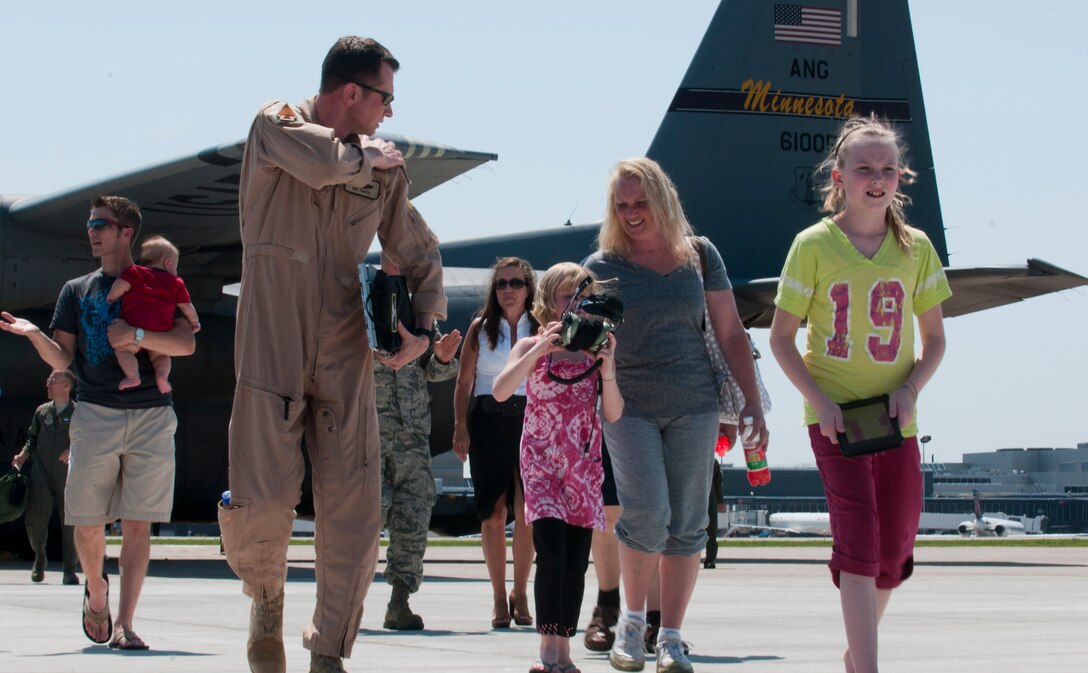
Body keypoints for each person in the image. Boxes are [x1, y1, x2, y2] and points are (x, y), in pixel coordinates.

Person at [217, 36, 446, 673]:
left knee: (353, 503)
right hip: (273, 331)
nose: (389, 114)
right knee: (261, 495)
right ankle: (266, 600)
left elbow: (418, 246)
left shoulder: (385, 168)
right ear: (352, 93)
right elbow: (321, 161)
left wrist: (423, 324)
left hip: (344, 336)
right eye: (384, 98)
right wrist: (361, 156)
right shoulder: (275, 125)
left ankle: (329, 650)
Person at [768, 116, 950, 673]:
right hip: (836, 423)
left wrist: (911, 389)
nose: (877, 178)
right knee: (861, 543)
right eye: (864, 167)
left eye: (888, 168)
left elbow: (936, 340)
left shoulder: (916, 249)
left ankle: (856, 651)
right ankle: (868, 666)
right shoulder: (813, 246)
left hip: (896, 421)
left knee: (893, 552)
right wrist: (819, 403)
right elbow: (781, 339)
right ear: (840, 177)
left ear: (902, 178)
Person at [584, 157, 767, 673]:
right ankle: (631, 625)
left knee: (688, 524)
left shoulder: (700, 256)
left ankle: (671, 637)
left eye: (640, 202)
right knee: (644, 513)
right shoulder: (601, 266)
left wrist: (750, 403)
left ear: (663, 198)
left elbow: (731, 333)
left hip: (695, 404)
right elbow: (576, 336)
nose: (632, 212)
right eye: (622, 205)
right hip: (627, 406)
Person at [0, 194, 196, 651]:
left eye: (101, 224)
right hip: (95, 414)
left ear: (127, 231)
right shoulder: (77, 290)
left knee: (137, 524)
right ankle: (97, 590)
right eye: (90, 224)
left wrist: (139, 336)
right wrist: (34, 336)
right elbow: (63, 357)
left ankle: (125, 622)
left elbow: (186, 344)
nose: (92, 231)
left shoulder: (160, 280)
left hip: (151, 414)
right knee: (86, 523)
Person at [492, 262, 624, 673]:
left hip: (583, 467)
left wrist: (609, 369)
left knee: (574, 560)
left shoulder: (594, 347)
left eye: (583, 296)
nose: (577, 303)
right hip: (542, 464)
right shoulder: (530, 346)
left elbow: (614, 414)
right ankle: (547, 654)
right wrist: (538, 350)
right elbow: (500, 391)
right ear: (550, 300)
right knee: (551, 553)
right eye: (569, 295)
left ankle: (564, 653)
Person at [375, 259, 462, 631]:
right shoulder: (361, 307)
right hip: (370, 433)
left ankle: (399, 602)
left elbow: (432, 371)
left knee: (413, 517)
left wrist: (443, 359)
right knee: (363, 518)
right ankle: (341, 602)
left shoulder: (419, 319)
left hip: (413, 437)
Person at [452, 257, 539, 629]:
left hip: (533, 422)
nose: (508, 290)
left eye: (515, 283)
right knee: (493, 514)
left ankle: (521, 594)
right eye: (501, 283)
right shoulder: (480, 328)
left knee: (528, 512)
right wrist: (459, 426)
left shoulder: (543, 325)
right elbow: (463, 383)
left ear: (528, 287)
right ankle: (498, 596)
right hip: (488, 422)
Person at [106, 235, 201, 393]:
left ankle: (133, 376)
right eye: (176, 266)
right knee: (161, 357)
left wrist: (112, 296)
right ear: (168, 263)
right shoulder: (176, 283)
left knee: (123, 351)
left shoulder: (135, 272)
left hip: (132, 326)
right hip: (160, 332)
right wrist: (195, 322)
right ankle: (162, 377)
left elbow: (121, 285)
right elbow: (186, 305)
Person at [11, 369, 79, 585]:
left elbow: (89, 439)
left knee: (71, 523)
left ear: (66, 386)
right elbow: (32, 438)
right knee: (36, 518)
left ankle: (69, 569)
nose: (47, 384)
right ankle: (40, 558)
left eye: (52, 381)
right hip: (41, 473)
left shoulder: (79, 413)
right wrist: (23, 455)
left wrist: (75, 449)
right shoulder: (42, 412)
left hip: (68, 476)